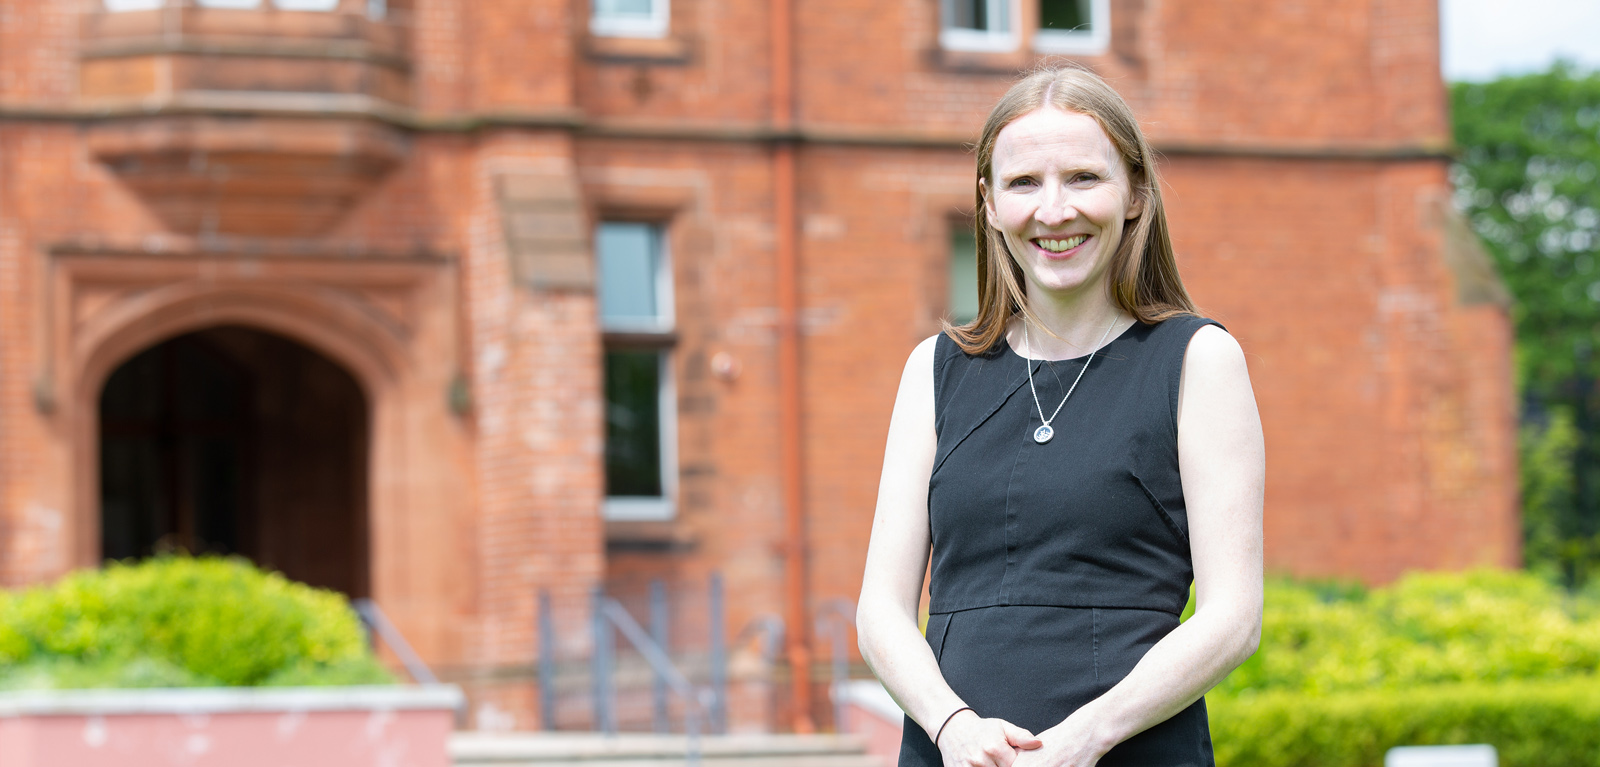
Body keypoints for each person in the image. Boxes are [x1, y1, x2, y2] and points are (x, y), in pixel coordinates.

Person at [855, 66, 1265, 767]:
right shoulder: (934, 369)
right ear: (988, 204)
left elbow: (1234, 618)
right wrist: (953, 727)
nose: (1054, 210)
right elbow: (879, 614)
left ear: (1135, 193)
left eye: (1083, 178)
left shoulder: (1199, 360)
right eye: (1023, 184)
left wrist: (1085, 738)